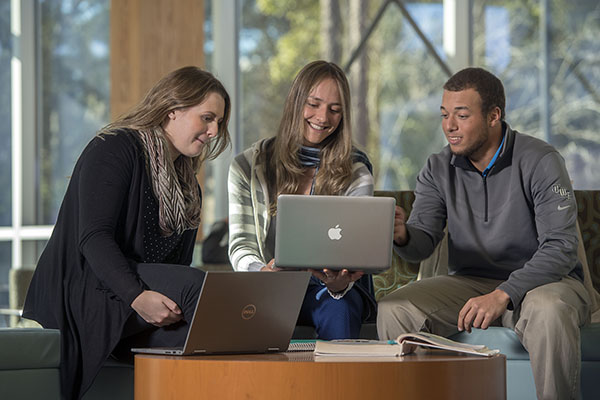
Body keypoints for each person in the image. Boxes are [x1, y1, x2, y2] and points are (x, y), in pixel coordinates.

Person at [377, 67, 591, 400]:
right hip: (471, 282)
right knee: (395, 307)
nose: (449, 126)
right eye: (445, 115)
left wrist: (504, 293)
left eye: (462, 115)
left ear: (494, 116)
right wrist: (403, 235)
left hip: (546, 283)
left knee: (549, 310)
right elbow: (422, 241)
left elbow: (561, 249)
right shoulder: (437, 167)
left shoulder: (541, 160)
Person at [22, 66, 231, 399]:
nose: (214, 130)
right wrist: (137, 297)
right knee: (198, 288)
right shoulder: (115, 147)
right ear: (172, 109)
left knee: (209, 335)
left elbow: (174, 267)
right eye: (207, 118)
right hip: (88, 286)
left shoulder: (187, 185)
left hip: (134, 298)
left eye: (219, 122)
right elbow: (93, 238)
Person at [228, 60, 377, 340]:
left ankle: (339, 384)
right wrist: (262, 271)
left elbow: (359, 249)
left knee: (339, 308)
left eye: (335, 110)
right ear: (295, 103)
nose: (323, 117)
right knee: (240, 314)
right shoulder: (248, 166)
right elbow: (241, 245)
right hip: (270, 286)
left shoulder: (356, 170)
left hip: (329, 287)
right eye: (314, 104)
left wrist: (339, 281)